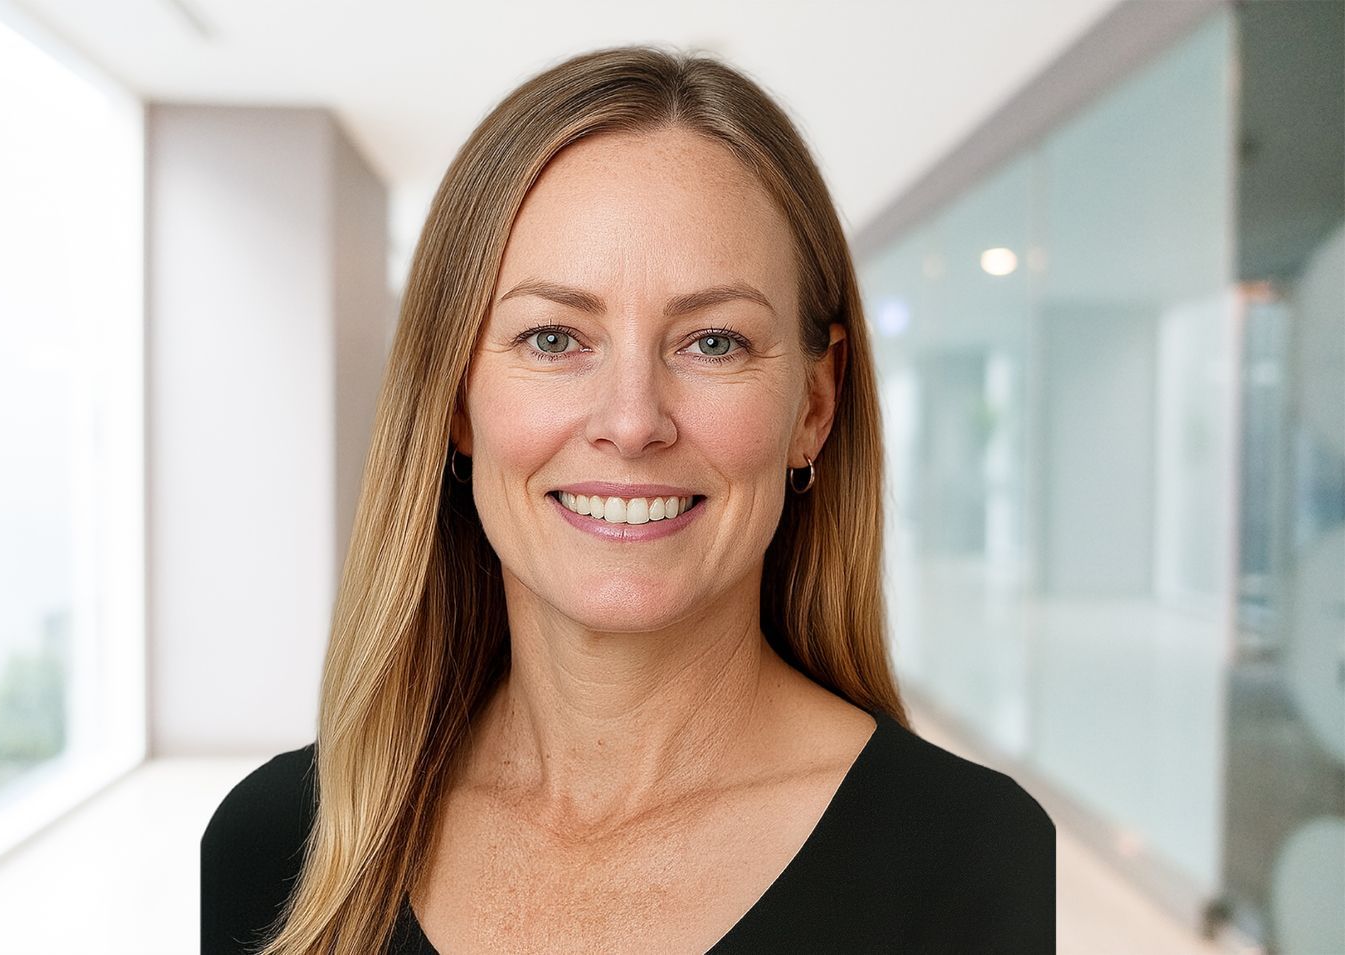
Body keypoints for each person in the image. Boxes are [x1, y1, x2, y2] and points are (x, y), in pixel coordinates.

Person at [201, 44, 1055, 955]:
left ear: (814, 404)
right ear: (455, 400)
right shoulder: (276, 849)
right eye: (555, 336)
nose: (632, 420)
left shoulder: (969, 863)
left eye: (714, 342)